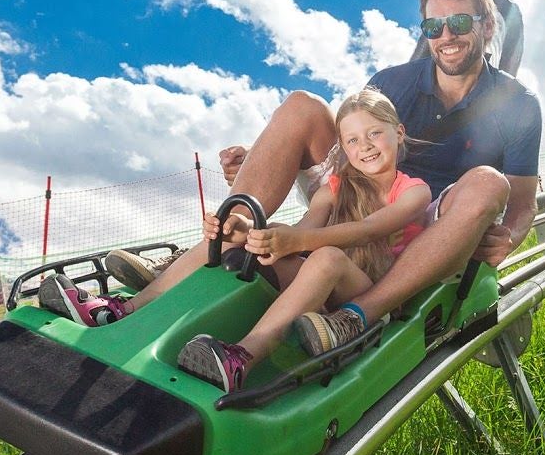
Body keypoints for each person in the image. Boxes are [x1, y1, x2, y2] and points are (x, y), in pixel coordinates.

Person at [73, 0, 542, 360]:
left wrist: (511, 237)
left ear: (485, 27)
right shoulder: (393, 82)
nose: (446, 37)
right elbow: (347, 162)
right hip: (366, 187)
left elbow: (521, 204)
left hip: (433, 215)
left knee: (487, 181)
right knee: (301, 104)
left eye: (460, 24)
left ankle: (361, 313)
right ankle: (218, 247)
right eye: (433, 27)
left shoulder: (518, 105)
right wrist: (261, 165)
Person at [168, 87, 430, 391]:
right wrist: (248, 230)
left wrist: (296, 240)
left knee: (328, 256)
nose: (365, 147)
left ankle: (242, 358)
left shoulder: (414, 191)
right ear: (343, 147)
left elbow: (369, 229)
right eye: (353, 140)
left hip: (370, 297)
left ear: (398, 133)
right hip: (325, 286)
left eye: (374, 133)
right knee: (261, 243)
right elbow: (305, 227)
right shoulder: (335, 187)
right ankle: (142, 309)